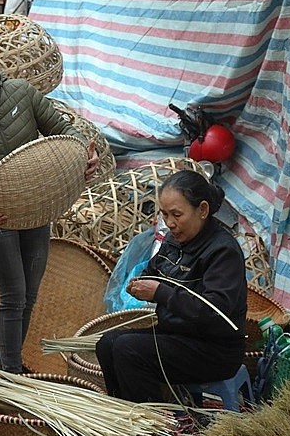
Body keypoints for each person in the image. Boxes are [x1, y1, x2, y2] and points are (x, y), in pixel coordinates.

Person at [0, 42, 99, 373]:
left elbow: (63, 131)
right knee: (12, 294)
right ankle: (9, 370)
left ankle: (14, 363)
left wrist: (83, 153)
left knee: (30, 292)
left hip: (37, 207)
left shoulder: (22, 93)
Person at [95, 170, 248, 403]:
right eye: (165, 214)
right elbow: (154, 271)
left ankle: (152, 428)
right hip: (176, 336)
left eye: (177, 214)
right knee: (107, 344)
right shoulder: (174, 240)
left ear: (203, 210)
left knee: (129, 349)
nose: (170, 223)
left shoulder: (223, 251)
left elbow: (214, 312)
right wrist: (139, 283)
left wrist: (160, 292)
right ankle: (123, 413)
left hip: (214, 350)